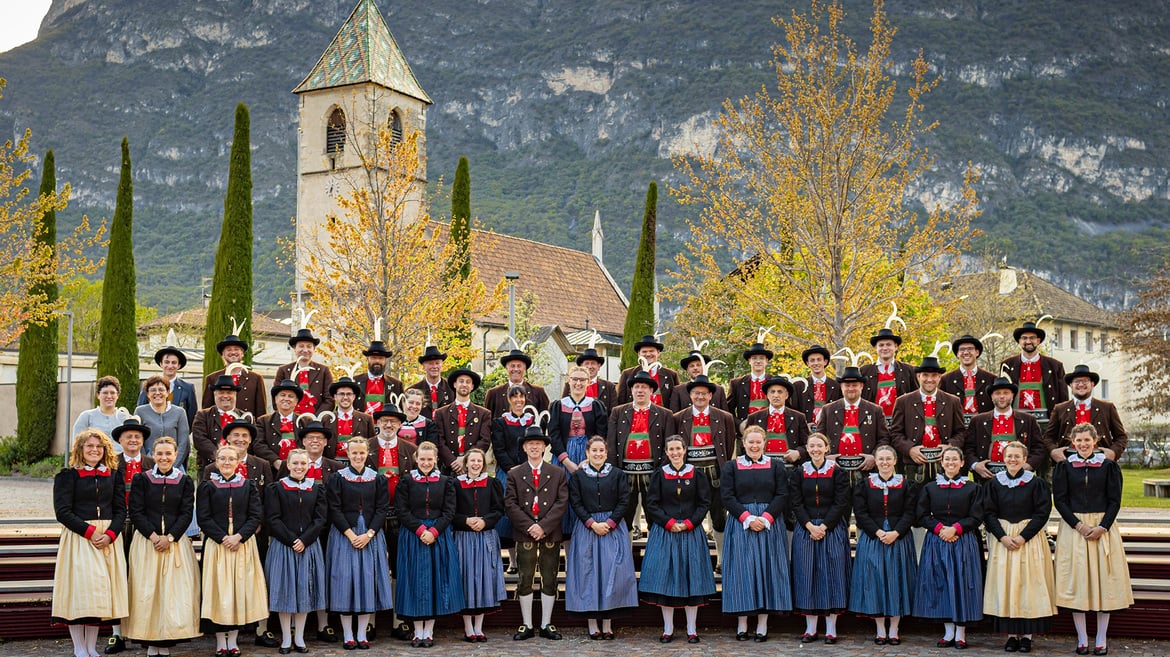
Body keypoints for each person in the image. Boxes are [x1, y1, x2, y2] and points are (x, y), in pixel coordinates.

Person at [1052, 423, 1133, 656]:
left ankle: (1100, 637)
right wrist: (1078, 525)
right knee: (1078, 583)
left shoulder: (1108, 466)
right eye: (1079, 441)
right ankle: (1081, 638)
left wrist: (1102, 527)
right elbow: (1061, 501)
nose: (1083, 444)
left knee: (1102, 581)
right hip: (1074, 528)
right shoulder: (1064, 468)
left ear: (1095, 442)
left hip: (1101, 528)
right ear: (1072, 443)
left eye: (1087, 440)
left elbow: (1114, 501)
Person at [52, 429, 129, 657]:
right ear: (81, 449)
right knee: (81, 593)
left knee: (97, 595)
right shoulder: (68, 476)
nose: (94, 450)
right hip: (80, 538)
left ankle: (91, 648)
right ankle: (79, 648)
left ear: (104, 450)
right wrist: (90, 531)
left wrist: (111, 534)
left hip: (107, 541)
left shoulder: (113, 475)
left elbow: (120, 510)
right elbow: (63, 512)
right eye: (89, 446)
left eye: (99, 446)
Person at [124, 436, 200, 656]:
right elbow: (136, 510)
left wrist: (171, 537)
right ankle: (150, 643)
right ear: (153, 455)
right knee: (148, 592)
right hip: (148, 543)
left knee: (170, 594)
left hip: (174, 544)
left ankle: (165, 643)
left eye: (168, 453)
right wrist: (154, 536)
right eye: (160, 454)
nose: (164, 457)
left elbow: (187, 512)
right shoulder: (142, 479)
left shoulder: (185, 481)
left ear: (176, 455)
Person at [639, 435, 716, 644]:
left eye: (678, 449)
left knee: (693, 580)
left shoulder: (697, 474)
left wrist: (690, 523)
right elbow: (652, 503)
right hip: (666, 533)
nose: (675, 453)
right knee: (666, 580)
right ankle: (668, 628)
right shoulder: (659, 475)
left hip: (691, 532)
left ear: (685, 450)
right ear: (666, 452)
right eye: (670, 449)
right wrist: (669, 522)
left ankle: (692, 629)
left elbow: (704, 502)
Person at [982, 441, 1056, 653]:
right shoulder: (994, 484)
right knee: (1006, 585)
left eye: (1017, 456)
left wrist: (1023, 536)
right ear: (1003, 459)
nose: (1013, 460)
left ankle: (1027, 636)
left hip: (1029, 539)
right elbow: (988, 513)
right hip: (1003, 538)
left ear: (1025, 459)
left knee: (1028, 585)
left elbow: (1042, 512)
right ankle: (1012, 635)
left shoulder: (1036, 483)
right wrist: (1002, 537)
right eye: (1009, 456)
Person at [720, 425, 792, 642]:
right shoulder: (732, 467)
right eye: (750, 442)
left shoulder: (776, 466)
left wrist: (766, 518)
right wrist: (748, 518)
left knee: (767, 570)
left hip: (769, 522)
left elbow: (782, 494)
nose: (754, 446)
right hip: (742, 522)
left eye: (758, 442)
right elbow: (727, 496)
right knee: (743, 571)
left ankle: (762, 624)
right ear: (744, 443)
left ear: (764, 443)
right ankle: (742, 623)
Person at [197, 444, 269, 656]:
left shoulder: (248, 486)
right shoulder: (207, 486)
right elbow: (203, 517)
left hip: (242, 545)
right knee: (219, 592)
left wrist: (239, 536)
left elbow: (256, 515)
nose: (226, 463)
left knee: (238, 591)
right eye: (222, 459)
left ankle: (234, 641)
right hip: (218, 546)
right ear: (216, 462)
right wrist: (222, 538)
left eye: (231, 459)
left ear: (238, 462)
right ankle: (221, 641)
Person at [325, 437, 394, 649]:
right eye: (354, 453)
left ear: (367, 454)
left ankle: (362, 633)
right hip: (345, 535)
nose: (357, 456)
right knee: (345, 582)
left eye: (361, 453)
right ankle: (347, 634)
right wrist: (349, 533)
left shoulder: (377, 478)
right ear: (347, 454)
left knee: (367, 581)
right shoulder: (338, 478)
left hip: (370, 536)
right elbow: (333, 508)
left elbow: (382, 508)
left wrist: (369, 534)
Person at [565, 437, 637, 638]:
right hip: (588, 527)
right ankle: (592, 624)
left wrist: (610, 522)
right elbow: (575, 501)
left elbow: (625, 500)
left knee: (610, 573)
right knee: (588, 573)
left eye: (601, 451)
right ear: (587, 453)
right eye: (594, 451)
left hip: (612, 527)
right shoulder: (578, 476)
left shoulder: (617, 474)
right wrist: (591, 523)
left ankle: (607, 623)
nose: (597, 454)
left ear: (606, 453)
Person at [913, 446, 984, 649]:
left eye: (955, 459)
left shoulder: (972, 488)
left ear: (962, 463)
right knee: (941, 583)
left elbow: (977, 516)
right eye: (947, 460)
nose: (951, 463)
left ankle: (961, 633)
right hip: (937, 540)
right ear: (941, 463)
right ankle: (948, 632)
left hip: (963, 541)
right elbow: (921, 515)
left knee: (962, 584)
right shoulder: (930, 488)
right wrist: (939, 529)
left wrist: (956, 529)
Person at [395, 441, 464, 647]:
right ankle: (417, 631)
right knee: (415, 581)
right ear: (416, 459)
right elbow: (402, 510)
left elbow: (449, 511)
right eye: (422, 459)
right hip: (413, 535)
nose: (426, 462)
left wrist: (434, 531)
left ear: (435, 460)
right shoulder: (406, 481)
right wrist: (419, 530)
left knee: (436, 580)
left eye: (430, 459)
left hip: (438, 535)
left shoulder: (445, 482)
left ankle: (429, 631)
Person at [505, 425, 570, 641]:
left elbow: (561, 503)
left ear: (544, 447)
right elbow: (511, 504)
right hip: (525, 533)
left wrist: (543, 526)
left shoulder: (557, 473)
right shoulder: (514, 473)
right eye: (530, 444)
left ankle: (546, 623)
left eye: (538, 444)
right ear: (524, 447)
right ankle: (526, 624)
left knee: (549, 577)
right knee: (525, 577)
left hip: (549, 533)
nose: (534, 447)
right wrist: (530, 526)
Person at [849, 444, 918, 646]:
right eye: (881, 459)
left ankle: (894, 629)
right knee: (875, 581)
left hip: (899, 537)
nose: (885, 463)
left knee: (897, 581)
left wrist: (896, 532)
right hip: (873, 537)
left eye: (888, 459)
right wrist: (878, 532)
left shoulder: (907, 484)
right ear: (875, 462)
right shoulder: (864, 485)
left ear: (895, 461)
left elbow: (910, 512)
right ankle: (880, 629)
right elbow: (860, 512)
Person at [790, 433, 852, 644]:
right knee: (807, 575)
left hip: (831, 529)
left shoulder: (838, 472)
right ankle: (810, 628)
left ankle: (831, 629)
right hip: (806, 529)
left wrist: (824, 526)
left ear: (827, 448)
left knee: (832, 576)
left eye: (820, 446)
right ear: (807, 449)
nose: (816, 449)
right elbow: (796, 502)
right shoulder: (799, 473)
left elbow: (841, 502)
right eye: (812, 446)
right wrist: (809, 525)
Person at [265, 449, 328, 654]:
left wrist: (305, 539)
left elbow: (320, 519)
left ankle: (299, 638)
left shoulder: (317, 489)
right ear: (288, 465)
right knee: (285, 591)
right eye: (295, 463)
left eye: (303, 464)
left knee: (304, 591)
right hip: (284, 546)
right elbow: (273, 518)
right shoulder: (277, 488)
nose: (299, 467)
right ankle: (285, 638)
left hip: (308, 546)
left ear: (308, 466)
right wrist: (293, 540)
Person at [672, 374, 737, 572]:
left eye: (704, 393)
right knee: (690, 516)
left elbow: (729, 445)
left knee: (719, 517)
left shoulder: (724, 418)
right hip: (690, 475)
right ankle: (693, 562)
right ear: (690, 395)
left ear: (710, 395)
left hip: (715, 473)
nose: (699, 397)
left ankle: (722, 560)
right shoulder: (678, 418)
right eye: (695, 393)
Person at [606, 371, 675, 531]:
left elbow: (669, 445)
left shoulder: (665, 414)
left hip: (653, 472)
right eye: (637, 387)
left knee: (654, 516)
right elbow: (611, 444)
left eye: (644, 387)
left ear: (651, 391)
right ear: (631, 390)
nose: (640, 390)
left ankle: (654, 554)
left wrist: (661, 473)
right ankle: (626, 555)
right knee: (624, 517)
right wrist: (616, 473)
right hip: (625, 473)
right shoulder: (618, 412)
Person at [452, 448, 506, 642]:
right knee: (466, 579)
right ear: (465, 463)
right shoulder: (455, 485)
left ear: (483, 464)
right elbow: (451, 512)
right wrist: (466, 521)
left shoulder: (492, 483)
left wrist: (485, 521)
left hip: (485, 536)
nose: (475, 464)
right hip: (464, 537)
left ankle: (479, 627)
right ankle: (468, 627)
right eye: (472, 461)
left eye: (479, 461)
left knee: (483, 579)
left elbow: (499, 509)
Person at [890, 355, 967, 482]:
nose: (929, 379)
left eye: (934, 375)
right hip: (914, 465)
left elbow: (961, 432)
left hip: (944, 465)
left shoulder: (952, 401)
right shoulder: (903, 401)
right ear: (918, 376)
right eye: (925, 375)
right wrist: (909, 449)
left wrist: (949, 447)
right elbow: (895, 433)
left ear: (939, 377)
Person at [965, 376, 1046, 481]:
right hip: (987, 479)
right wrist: (976, 465)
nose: (1002, 396)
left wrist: (1028, 465)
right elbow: (968, 448)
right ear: (992, 396)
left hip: (1019, 479)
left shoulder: (1028, 420)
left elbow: (1039, 448)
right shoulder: (978, 421)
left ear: (1012, 395)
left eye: (1006, 393)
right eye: (997, 393)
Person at [1046, 364, 1128, 462]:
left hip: (1100, 461)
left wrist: (1113, 452)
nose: (1081, 384)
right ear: (1071, 385)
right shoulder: (1060, 409)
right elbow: (1048, 437)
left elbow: (1121, 436)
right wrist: (1053, 451)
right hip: (1068, 461)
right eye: (1076, 381)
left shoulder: (1107, 408)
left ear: (1092, 384)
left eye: (1085, 381)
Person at [818, 366, 889, 474]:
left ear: (861, 386)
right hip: (835, 470)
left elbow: (884, 439)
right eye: (847, 385)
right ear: (841, 386)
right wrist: (826, 457)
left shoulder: (875, 410)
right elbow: (819, 437)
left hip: (866, 469)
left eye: (854, 385)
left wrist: (874, 456)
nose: (850, 388)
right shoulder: (828, 410)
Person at [999, 321, 1067, 422]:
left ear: (1038, 341)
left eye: (1032, 338)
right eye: (1024, 338)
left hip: (1046, 423)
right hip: (1016, 422)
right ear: (1019, 341)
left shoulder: (1054, 366)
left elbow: (1063, 400)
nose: (1028, 341)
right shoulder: (1007, 365)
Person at [432, 368, 491, 474]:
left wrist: (466, 460)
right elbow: (439, 441)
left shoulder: (483, 414)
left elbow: (485, 440)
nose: (464, 384)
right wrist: (453, 461)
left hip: (474, 468)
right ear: (454, 384)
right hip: (448, 468)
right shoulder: (441, 413)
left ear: (472, 386)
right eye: (461, 381)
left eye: (468, 382)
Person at [744, 376, 809, 465]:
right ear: (767, 395)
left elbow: (807, 444)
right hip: (761, 466)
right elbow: (744, 444)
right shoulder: (754, 417)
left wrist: (798, 452)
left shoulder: (799, 417)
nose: (776, 395)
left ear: (786, 395)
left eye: (780, 392)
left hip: (790, 466)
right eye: (772, 392)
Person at [202, 330, 267, 418]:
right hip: (220, 427)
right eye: (229, 350)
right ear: (223, 354)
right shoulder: (212, 378)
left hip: (246, 427)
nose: (233, 352)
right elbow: (206, 410)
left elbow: (261, 411)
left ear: (242, 353)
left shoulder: (256, 379)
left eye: (236, 349)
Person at [860, 326, 917, 423]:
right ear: (875, 348)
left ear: (895, 346)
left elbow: (916, 397)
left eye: (888, 345)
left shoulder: (908, 371)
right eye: (881, 345)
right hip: (873, 422)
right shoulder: (864, 371)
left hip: (901, 423)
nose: (885, 348)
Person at [135, 375, 191, 468]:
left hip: (174, 463)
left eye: (161, 390)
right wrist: (147, 464)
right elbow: (138, 440)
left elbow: (184, 442)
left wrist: (173, 466)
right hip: (149, 464)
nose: (157, 393)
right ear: (148, 394)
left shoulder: (179, 412)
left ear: (168, 392)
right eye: (153, 390)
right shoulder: (140, 411)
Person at [274, 327, 334, 415]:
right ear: (295, 348)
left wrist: (316, 418)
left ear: (314, 349)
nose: (305, 350)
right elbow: (276, 397)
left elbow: (329, 399)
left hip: (316, 421)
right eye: (301, 346)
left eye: (309, 346)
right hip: (290, 420)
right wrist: (288, 416)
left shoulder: (323, 371)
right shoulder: (283, 370)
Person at [136, 345, 197, 428]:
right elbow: (140, 411)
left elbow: (191, 416)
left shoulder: (188, 388)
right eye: (167, 362)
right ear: (161, 364)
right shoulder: (148, 386)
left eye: (174, 363)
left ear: (179, 365)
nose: (170, 366)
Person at [940, 335, 996, 424]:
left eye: (970, 349)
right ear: (957, 354)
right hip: (957, 429)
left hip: (983, 428)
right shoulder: (945, 380)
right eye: (962, 349)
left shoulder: (991, 379)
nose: (966, 352)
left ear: (977, 352)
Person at [191, 375, 242, 471]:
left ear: (235, 395)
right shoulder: (203, 415)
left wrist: (235, 459)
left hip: (239, 467)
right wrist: (221, 458)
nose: (225, 396)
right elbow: (200, 440)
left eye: (229, 392)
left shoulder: (245, 417)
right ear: (215, 394)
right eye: (221, 393)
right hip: (209, 466)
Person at [253, 379, 305, 472]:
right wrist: (275, 461)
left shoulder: (305, 421)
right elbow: (258, 444)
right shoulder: (264, 421)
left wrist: (298, 463)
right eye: (282, 395)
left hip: (300, 469)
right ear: (276, 398)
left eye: (291, 396)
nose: (286, 399)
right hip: (271, 469)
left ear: (296, 401)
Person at [615, 334, 679, 406]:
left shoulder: (671, 375)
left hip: (662, 416)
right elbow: (620, 401)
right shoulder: (627, 374)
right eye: (644, 351)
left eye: (651, 351)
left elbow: (676, 402)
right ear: (639, 354)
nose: (648, 354)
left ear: (658, 353)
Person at [484, 347, 550, 417]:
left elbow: (545, 419)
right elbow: (487, 421)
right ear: (506, 368)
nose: (515, 369)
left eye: (519, 366)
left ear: (525, 368)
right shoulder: (494, 394)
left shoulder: (538, 392)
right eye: (512, 366)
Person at [324, 377, 376, 464]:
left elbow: (372, 446)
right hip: (332, 465)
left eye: (348, 394)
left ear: (354, 397)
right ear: (335, 397)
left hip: (358, 466)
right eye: (341, 394)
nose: (345, 397)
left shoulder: (366, 419)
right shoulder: (326, 419)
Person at [72, 376, 129, 455]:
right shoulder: (86, 416)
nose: (109, 396)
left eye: (112, 393)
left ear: (118, 395)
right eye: (105, 393)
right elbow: (77, 444)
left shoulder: (125, 417)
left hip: (120, 463)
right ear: (98, 395)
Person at [793, 345, 843, 430]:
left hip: (830, 431)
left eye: (819, 359)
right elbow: (794, 411)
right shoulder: (799, 386)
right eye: (812, 360)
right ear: (808, 364)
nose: (816, 363)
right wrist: (804, 426)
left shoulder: (837, 386)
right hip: (806, 432)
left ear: (825, 362)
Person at [353, 339, 404, 415]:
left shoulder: (396, 385)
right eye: (373, 357)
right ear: (367, 359)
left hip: (387, 426)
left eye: (380, 358)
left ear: (385, 360)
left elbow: (402, 410)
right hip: (361, 426)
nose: (377, 361)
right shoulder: (354, 382)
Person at [727, 339, 773, 423]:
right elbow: (728, 410)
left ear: (766, 361)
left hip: (771, 429)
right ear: (749, 361)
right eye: (754, 358)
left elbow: (786, 408)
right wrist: (739, 425)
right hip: (746, 429)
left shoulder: (775, 381)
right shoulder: (737, 384)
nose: (758, 361)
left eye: (761, 358)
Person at [407, 344, 453, 418]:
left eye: (437, 363)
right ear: (424, 367)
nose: (434, 367)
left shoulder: (452, 388)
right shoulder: (413, 390)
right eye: (430, 364)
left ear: (442, 365)